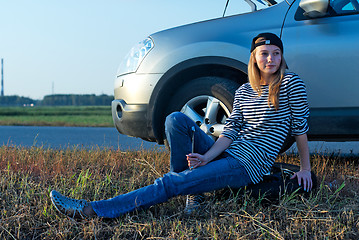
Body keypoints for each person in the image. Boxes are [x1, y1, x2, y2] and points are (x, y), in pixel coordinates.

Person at [50, 32, 313, 219]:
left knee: (170, 183)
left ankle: (93, 210)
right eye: (264, 54)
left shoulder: (290, 84)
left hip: (248, 164)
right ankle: (191, 189)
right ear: (254, 58)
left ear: (282, 57)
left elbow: (300, 129)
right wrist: (205, 157)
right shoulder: (245, 90)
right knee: (175, 119)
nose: (271, 59)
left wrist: (305, 169)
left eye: (276, 53)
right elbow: (230, 131)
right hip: (229, 152)